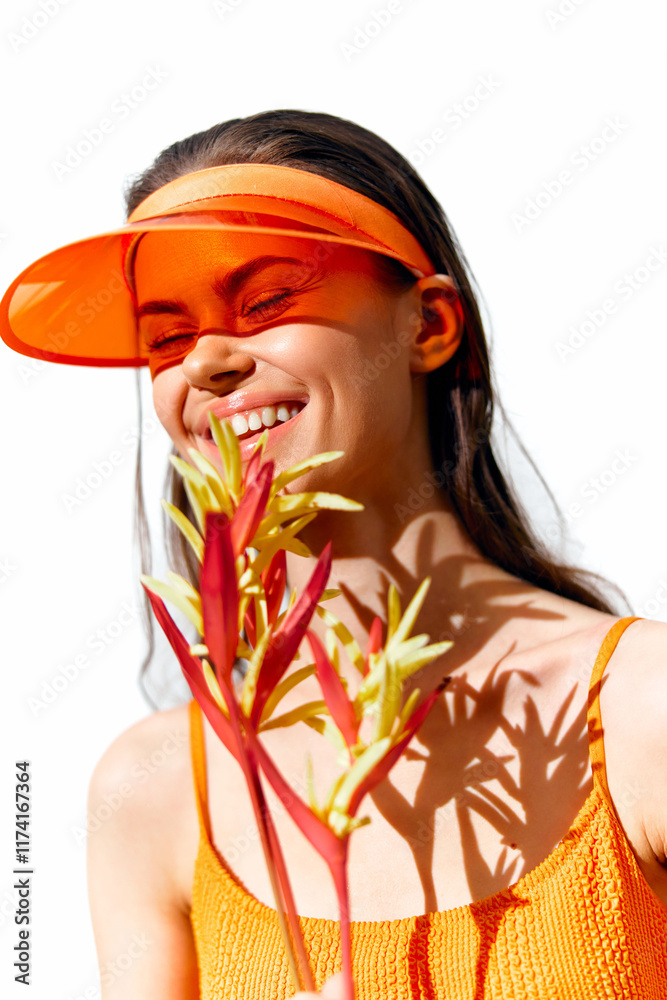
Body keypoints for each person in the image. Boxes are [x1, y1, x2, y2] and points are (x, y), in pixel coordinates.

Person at [2, 109, 666, 998]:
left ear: (429, 325)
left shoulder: (639, 712)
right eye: (165, 336)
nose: (206, 360)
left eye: (268, 301)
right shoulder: (156, 790)